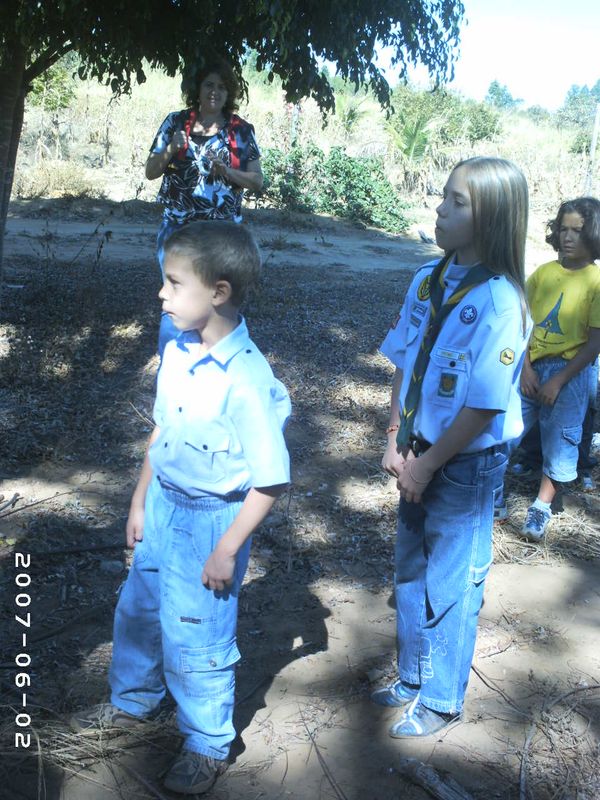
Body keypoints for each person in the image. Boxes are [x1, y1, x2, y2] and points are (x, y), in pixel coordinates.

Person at [69, 222, 291, 796]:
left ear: (218, 292)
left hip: (213, 521)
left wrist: (227, 550)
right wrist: (139, 501)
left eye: (173, 283)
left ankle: (206, 742)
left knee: (198, 634)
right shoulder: (176, 352)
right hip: (164, 504)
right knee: (139, 609)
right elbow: (162, 433)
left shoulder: (246, 379)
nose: (161, 294)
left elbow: (270, 481)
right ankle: (132, 702)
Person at [373, 157, 531, 738]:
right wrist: (395, 435)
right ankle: (412, 676)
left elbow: (485, 404)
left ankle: (440, 699)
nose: (439, 209)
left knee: (452, 582)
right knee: (410, 570)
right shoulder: (426, 279)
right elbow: (404, 360)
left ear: (492, 218)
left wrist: (428, 466)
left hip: (463, 464)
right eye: (443, 196)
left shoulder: (500, 302)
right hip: (417, 451)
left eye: (457, 202)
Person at [145, 58, 263, 357]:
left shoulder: (241, 131)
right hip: (178, 232)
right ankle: (174, 367)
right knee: (176, 301)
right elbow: (150, 171)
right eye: (209, 85)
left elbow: (257, 180)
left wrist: (228, 172)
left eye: (222, 87)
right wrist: (171, 148)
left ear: (229, 93)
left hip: (222, 236)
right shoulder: (175, 123)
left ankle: (213, 367)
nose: (215, 92)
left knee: (219, 302)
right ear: (197, 89)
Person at [515, 197, 600, 540]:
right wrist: (525, 368)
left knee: (561, 440)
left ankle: (541, 505)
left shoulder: (596, 282)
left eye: (577, 231)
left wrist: (560, 380)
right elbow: (521, 323)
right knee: (505, 427)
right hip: (531, 367)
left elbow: (594, 343)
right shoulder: (543, 273)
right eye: (563, 229)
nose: (568, 237)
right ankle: (491, 492)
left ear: (593, 235)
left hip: (570, 375)